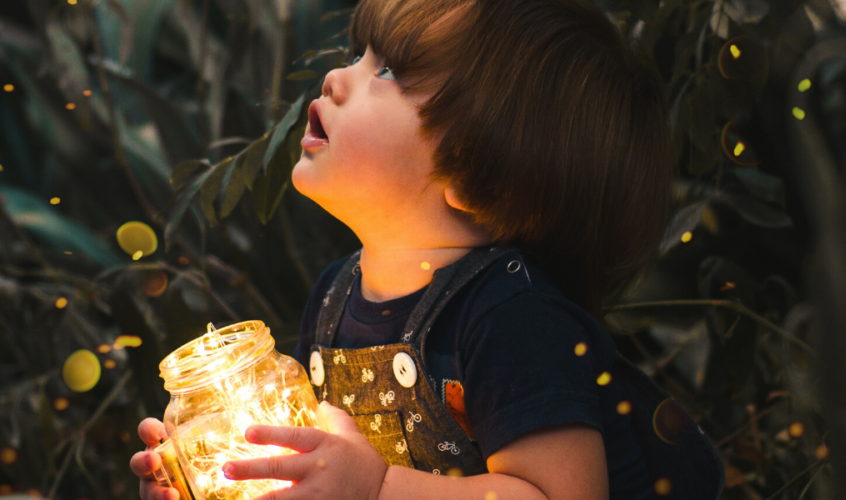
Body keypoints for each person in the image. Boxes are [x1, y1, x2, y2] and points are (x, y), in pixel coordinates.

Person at [130, 0, 684, 498]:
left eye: (387, 70)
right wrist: (221, 467)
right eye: (359, 56)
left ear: (475, 178)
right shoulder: (334, 295)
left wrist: (376, 486)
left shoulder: (515, 317)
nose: (336, 79)